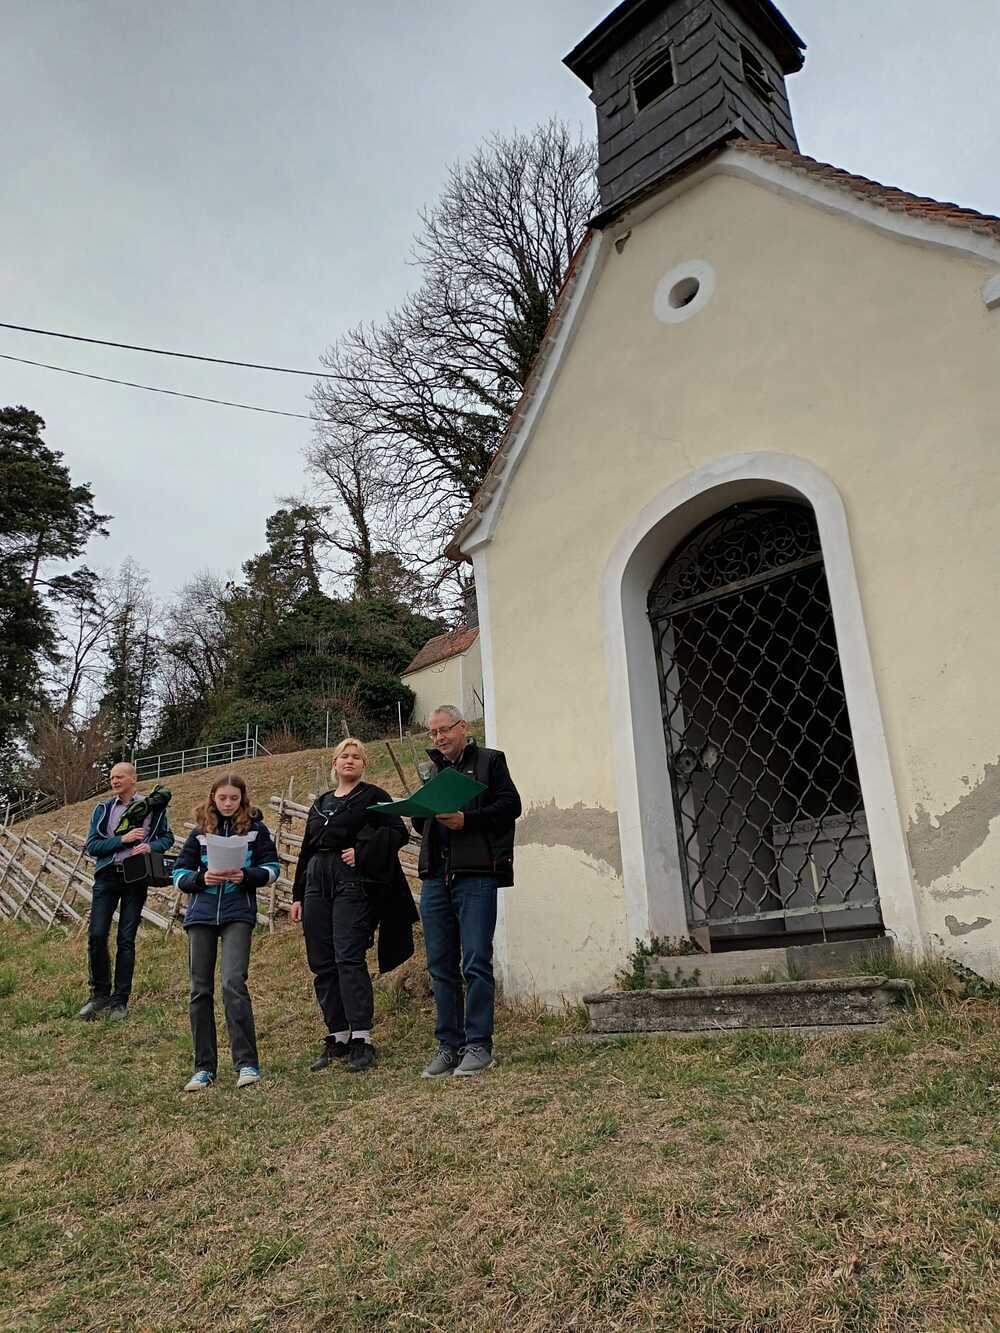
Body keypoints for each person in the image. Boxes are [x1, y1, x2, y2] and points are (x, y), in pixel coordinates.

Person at [291, 738, 416, 1074]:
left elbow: (397, 832)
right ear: (334, 764)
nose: (350, 761)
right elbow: (306, 850)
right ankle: (338, 1034)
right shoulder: (321, 803)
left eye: (356, 757)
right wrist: (297, 895)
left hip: (350, 882)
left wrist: (362, 851)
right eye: (344, 756)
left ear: (364, 765)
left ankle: (361, 1036)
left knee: (348, 956)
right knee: (322, 959)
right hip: (316, 881)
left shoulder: (373, 796)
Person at [413, 706, 521, 1078]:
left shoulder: (490, 762)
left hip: (476, 874)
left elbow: (511, 806)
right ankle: (448, 1047)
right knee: (440, 966)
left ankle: (478, 1045)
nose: (439, 738)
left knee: (475, 961)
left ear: (463, 727)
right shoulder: (432, 771)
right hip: (435, 877)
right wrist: (422, 808)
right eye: (433, 733)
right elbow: (421, 822)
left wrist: (466, 820)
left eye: (444, 730)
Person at [171, 774, 281, 1091]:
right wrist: (200, 879)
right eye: (223, 798)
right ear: (213, 798)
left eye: (234, 798)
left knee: (233, 983)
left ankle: (247, 1063)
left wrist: (246, 876)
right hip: (201, 914)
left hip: (238, 912)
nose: (228, 803)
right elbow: (178, 873)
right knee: (199, 990)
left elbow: (272, 869)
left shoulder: (257, 830)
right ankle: (204, 1068)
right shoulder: (199, 832)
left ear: (242, 799)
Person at [79, 762, 174, 1020]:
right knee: (97, 935)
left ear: (133, 779)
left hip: (136, 877)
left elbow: (167, 838)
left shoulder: (152, 807)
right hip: (107, 877)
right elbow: (92, 845)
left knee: (126, 939)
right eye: (112, 777)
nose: (114, 781)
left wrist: (151, 847)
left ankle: (120, 1001)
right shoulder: (103, 809)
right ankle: (99, 995)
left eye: (119, 776)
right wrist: (123, 839)